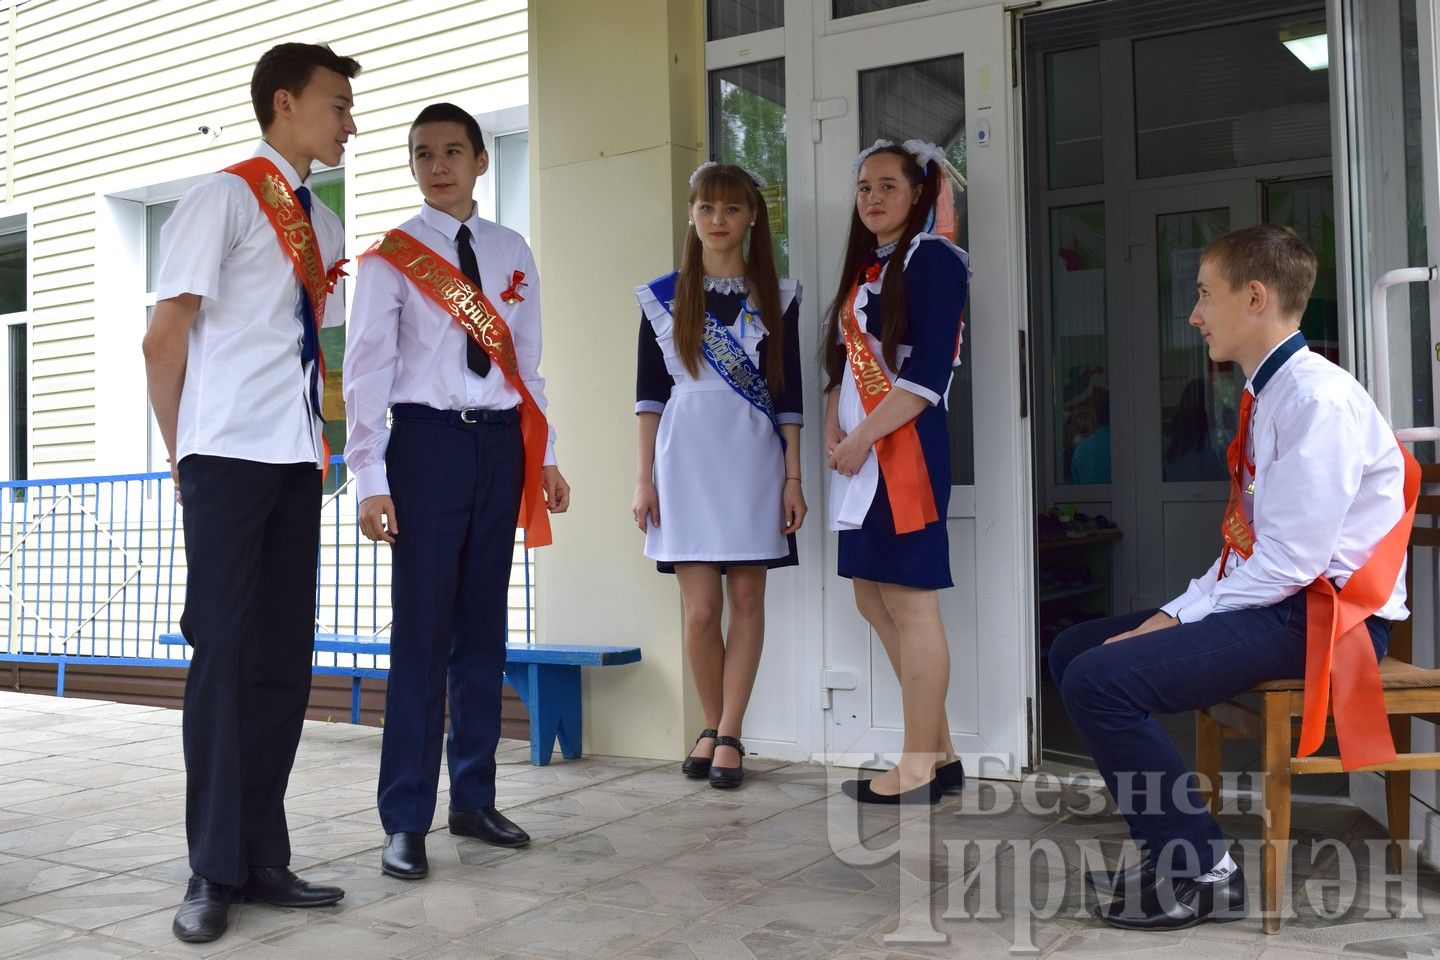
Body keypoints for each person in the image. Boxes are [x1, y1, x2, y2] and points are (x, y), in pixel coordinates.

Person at [1050, 224, 1417, 930]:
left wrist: (1179, 617)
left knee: (1100, 679)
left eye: (1202, 295)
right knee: (1073, 652)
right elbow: (1254, 556)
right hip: (1282, 602)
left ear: (1255, 298)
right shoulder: (1270, 393)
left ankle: (1202, 873)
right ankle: (1171, 847)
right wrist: (1181, 610)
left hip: (1326, 620)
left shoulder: (1317, 400)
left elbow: (1290, 563)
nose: (1193, 315)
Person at [143, 42, 359, 943]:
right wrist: (181, 455)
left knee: (281, 658)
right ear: (284, 103)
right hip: (226, 456)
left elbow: (334, 345)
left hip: (295, 460)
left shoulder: (328, 226)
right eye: (336, 103)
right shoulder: (224, 196)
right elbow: (165, 338)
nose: (350, 120)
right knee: (226, 655)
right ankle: (212, 867)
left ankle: (264, 856)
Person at [345, 103, 570, 882]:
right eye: (422, 154)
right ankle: (403, 817)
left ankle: (473, 798)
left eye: (452, 151)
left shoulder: (511, 250)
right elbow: (366, 372)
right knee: (422, 634)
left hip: (501, 443)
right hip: (427, 446)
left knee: (483, 627)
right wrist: (369, 477)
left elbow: (529, 363)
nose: (437, 165)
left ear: (479, 160)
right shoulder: (391, 259)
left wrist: (543, 456)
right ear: (412, 166)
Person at [632, 162, 805, 789]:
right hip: (686, 460)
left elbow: (789, 396)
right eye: (706, 208)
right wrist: (642, 479)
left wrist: (793, 477)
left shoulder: (779, 297)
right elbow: (649, 397)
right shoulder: (662, 297)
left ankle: (729, 731)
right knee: (701, 611)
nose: (718, 221)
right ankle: (712, 723)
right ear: (691, 215)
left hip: (755, 460)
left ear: (752, 216)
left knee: (748, 599)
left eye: (731, 209)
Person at [824, 139, 970, 805]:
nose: (873, 198)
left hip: (902, 449)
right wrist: (836, 421)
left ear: (918, 194)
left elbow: (926, 376)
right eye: (864, 188)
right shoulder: (867, 268)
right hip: (862, 454)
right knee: (871, 595)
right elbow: (842, 363)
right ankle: (938, 752)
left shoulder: (934, 260)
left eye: (887, 185)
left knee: (911, 601)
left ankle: (917, 765)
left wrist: (860, 437)